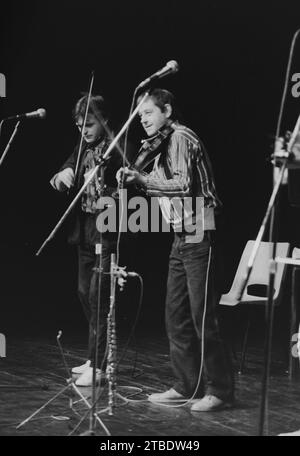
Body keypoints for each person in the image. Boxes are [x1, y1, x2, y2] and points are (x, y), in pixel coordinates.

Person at [117, 88, 234, 411]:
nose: (143, 120)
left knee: (202, 317)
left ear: (167, 110)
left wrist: (141, 178)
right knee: (176, 315)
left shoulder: (180, 137)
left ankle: (220, 389)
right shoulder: (162, 148)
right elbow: (163, 191)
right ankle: (186, 385)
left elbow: (182, 185)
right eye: (140, 116)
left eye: (149, 113)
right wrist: (134, 181)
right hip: (180, 235)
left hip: (199, 230)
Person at [50, 94, 120, 387]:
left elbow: (130, 190)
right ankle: (95, 357)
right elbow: (63, 173)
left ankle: (101, 365)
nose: (84, 131)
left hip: (106, 229)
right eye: (79, 126)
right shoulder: (82, 148)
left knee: (99, 296)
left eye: (89, 124)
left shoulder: (118, 147)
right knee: (83, 291)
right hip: (84, 230)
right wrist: (62, 174)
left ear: (103, 120)